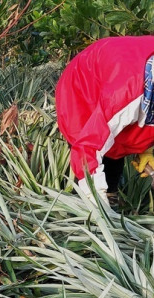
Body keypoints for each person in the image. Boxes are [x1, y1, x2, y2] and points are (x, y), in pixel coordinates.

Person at [56, 35, 154, 204]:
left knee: (119, 131)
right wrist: (99, 209)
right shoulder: (124, 97)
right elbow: (88, 147)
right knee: (101, 149)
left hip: (124, 69)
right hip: (83, 90)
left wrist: (147, 148)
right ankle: (88, 199)